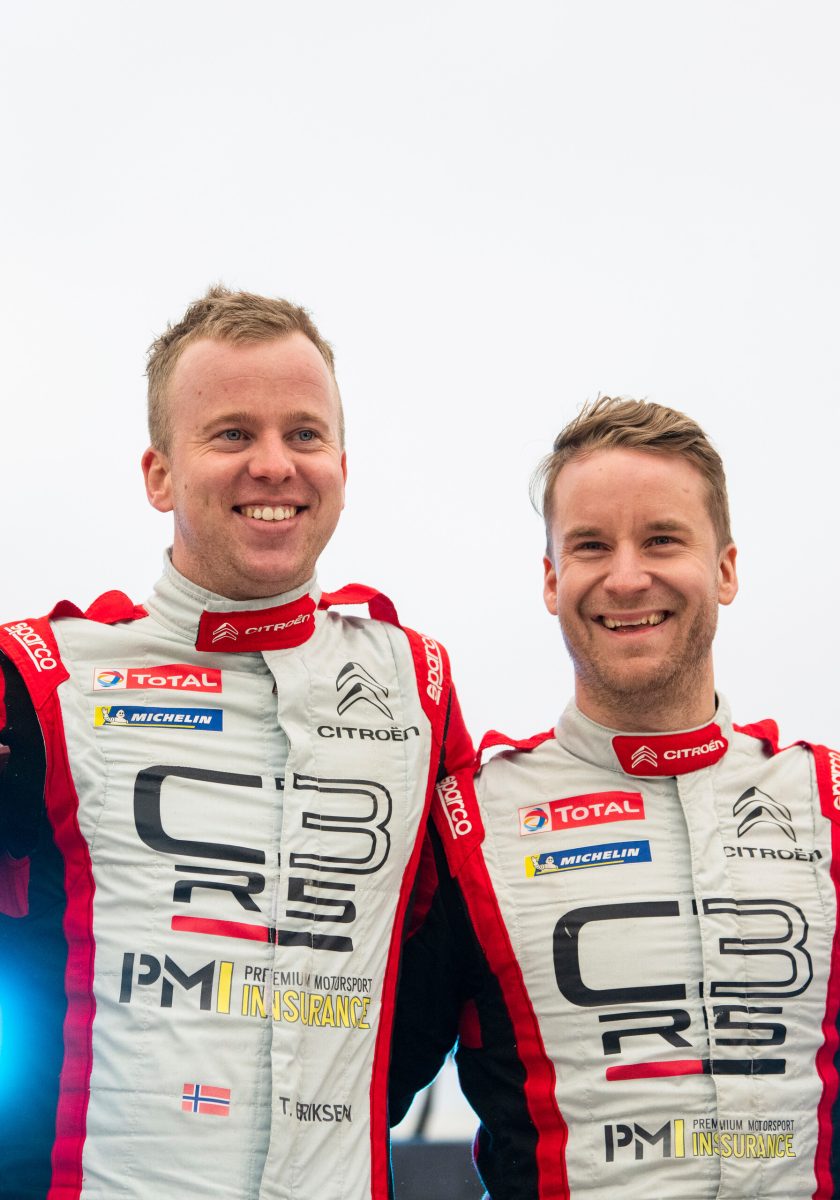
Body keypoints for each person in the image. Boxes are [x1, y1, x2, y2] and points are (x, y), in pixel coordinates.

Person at [0, 286, 471, 1199]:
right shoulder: (39, 677)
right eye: (231, 435)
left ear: (342, 464)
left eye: (304, 434)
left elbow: (443, 967)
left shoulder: (419, 687)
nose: (274, 465)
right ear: (159, 475)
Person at [391, 397, 840, 1199]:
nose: (627, 578)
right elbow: (342, 1104)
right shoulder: (470, 827)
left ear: (726, 570)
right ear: (552, 579)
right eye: (592, 545)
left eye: (662, 539)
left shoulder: (828, 802)